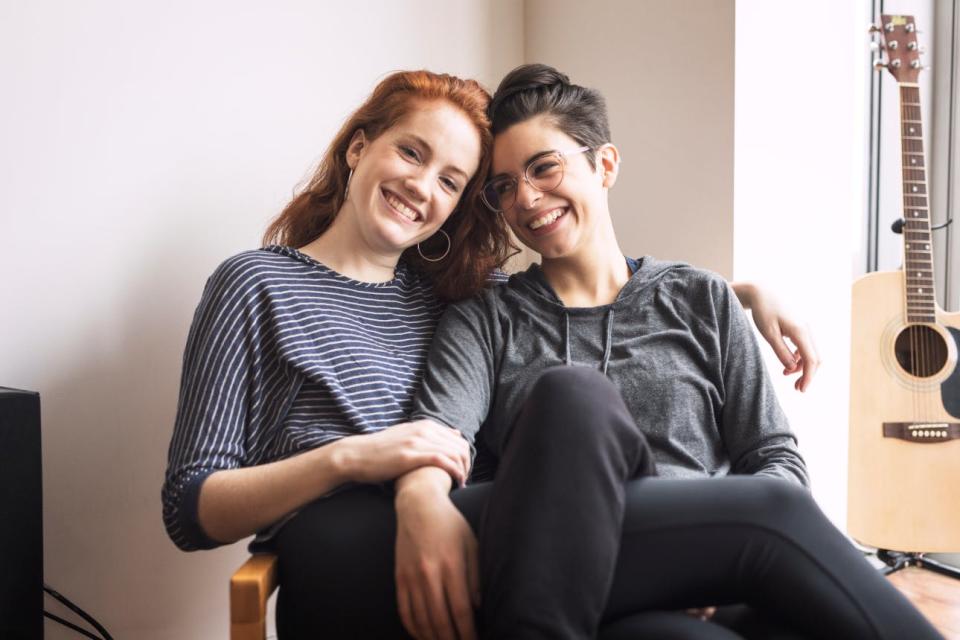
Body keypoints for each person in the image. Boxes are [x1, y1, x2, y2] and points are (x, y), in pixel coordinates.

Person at [162, 69, 821, 639]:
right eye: (411, 154)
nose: (423, 187)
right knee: (752, 528)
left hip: (481, 547)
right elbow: (191, 508)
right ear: (359, 147)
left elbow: (593, 299)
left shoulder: (453, 297)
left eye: (451, 181)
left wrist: (736, 297)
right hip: (347, 548)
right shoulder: (254, 283)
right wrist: (351, 457)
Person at [398, 64, 944, 639]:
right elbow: (437, 434)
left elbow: (775, 458)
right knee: (570, 395)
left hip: (709, 586)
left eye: (544, 167)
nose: (527, 198)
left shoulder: (701, 298)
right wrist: (418, 497)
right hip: (566, 571)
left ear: (604, 165)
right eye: (504, 186)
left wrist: (704, 555)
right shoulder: (487, 318)